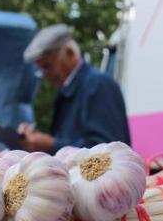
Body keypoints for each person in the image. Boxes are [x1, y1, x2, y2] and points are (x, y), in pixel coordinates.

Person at [18, 24, 130, 153]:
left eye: (47, 66)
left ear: (69, 53)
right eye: (41, 69)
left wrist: (51, 145)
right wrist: (40, 141)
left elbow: (109, 150)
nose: (44, 75)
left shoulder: (98, 85)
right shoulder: (70, 90)